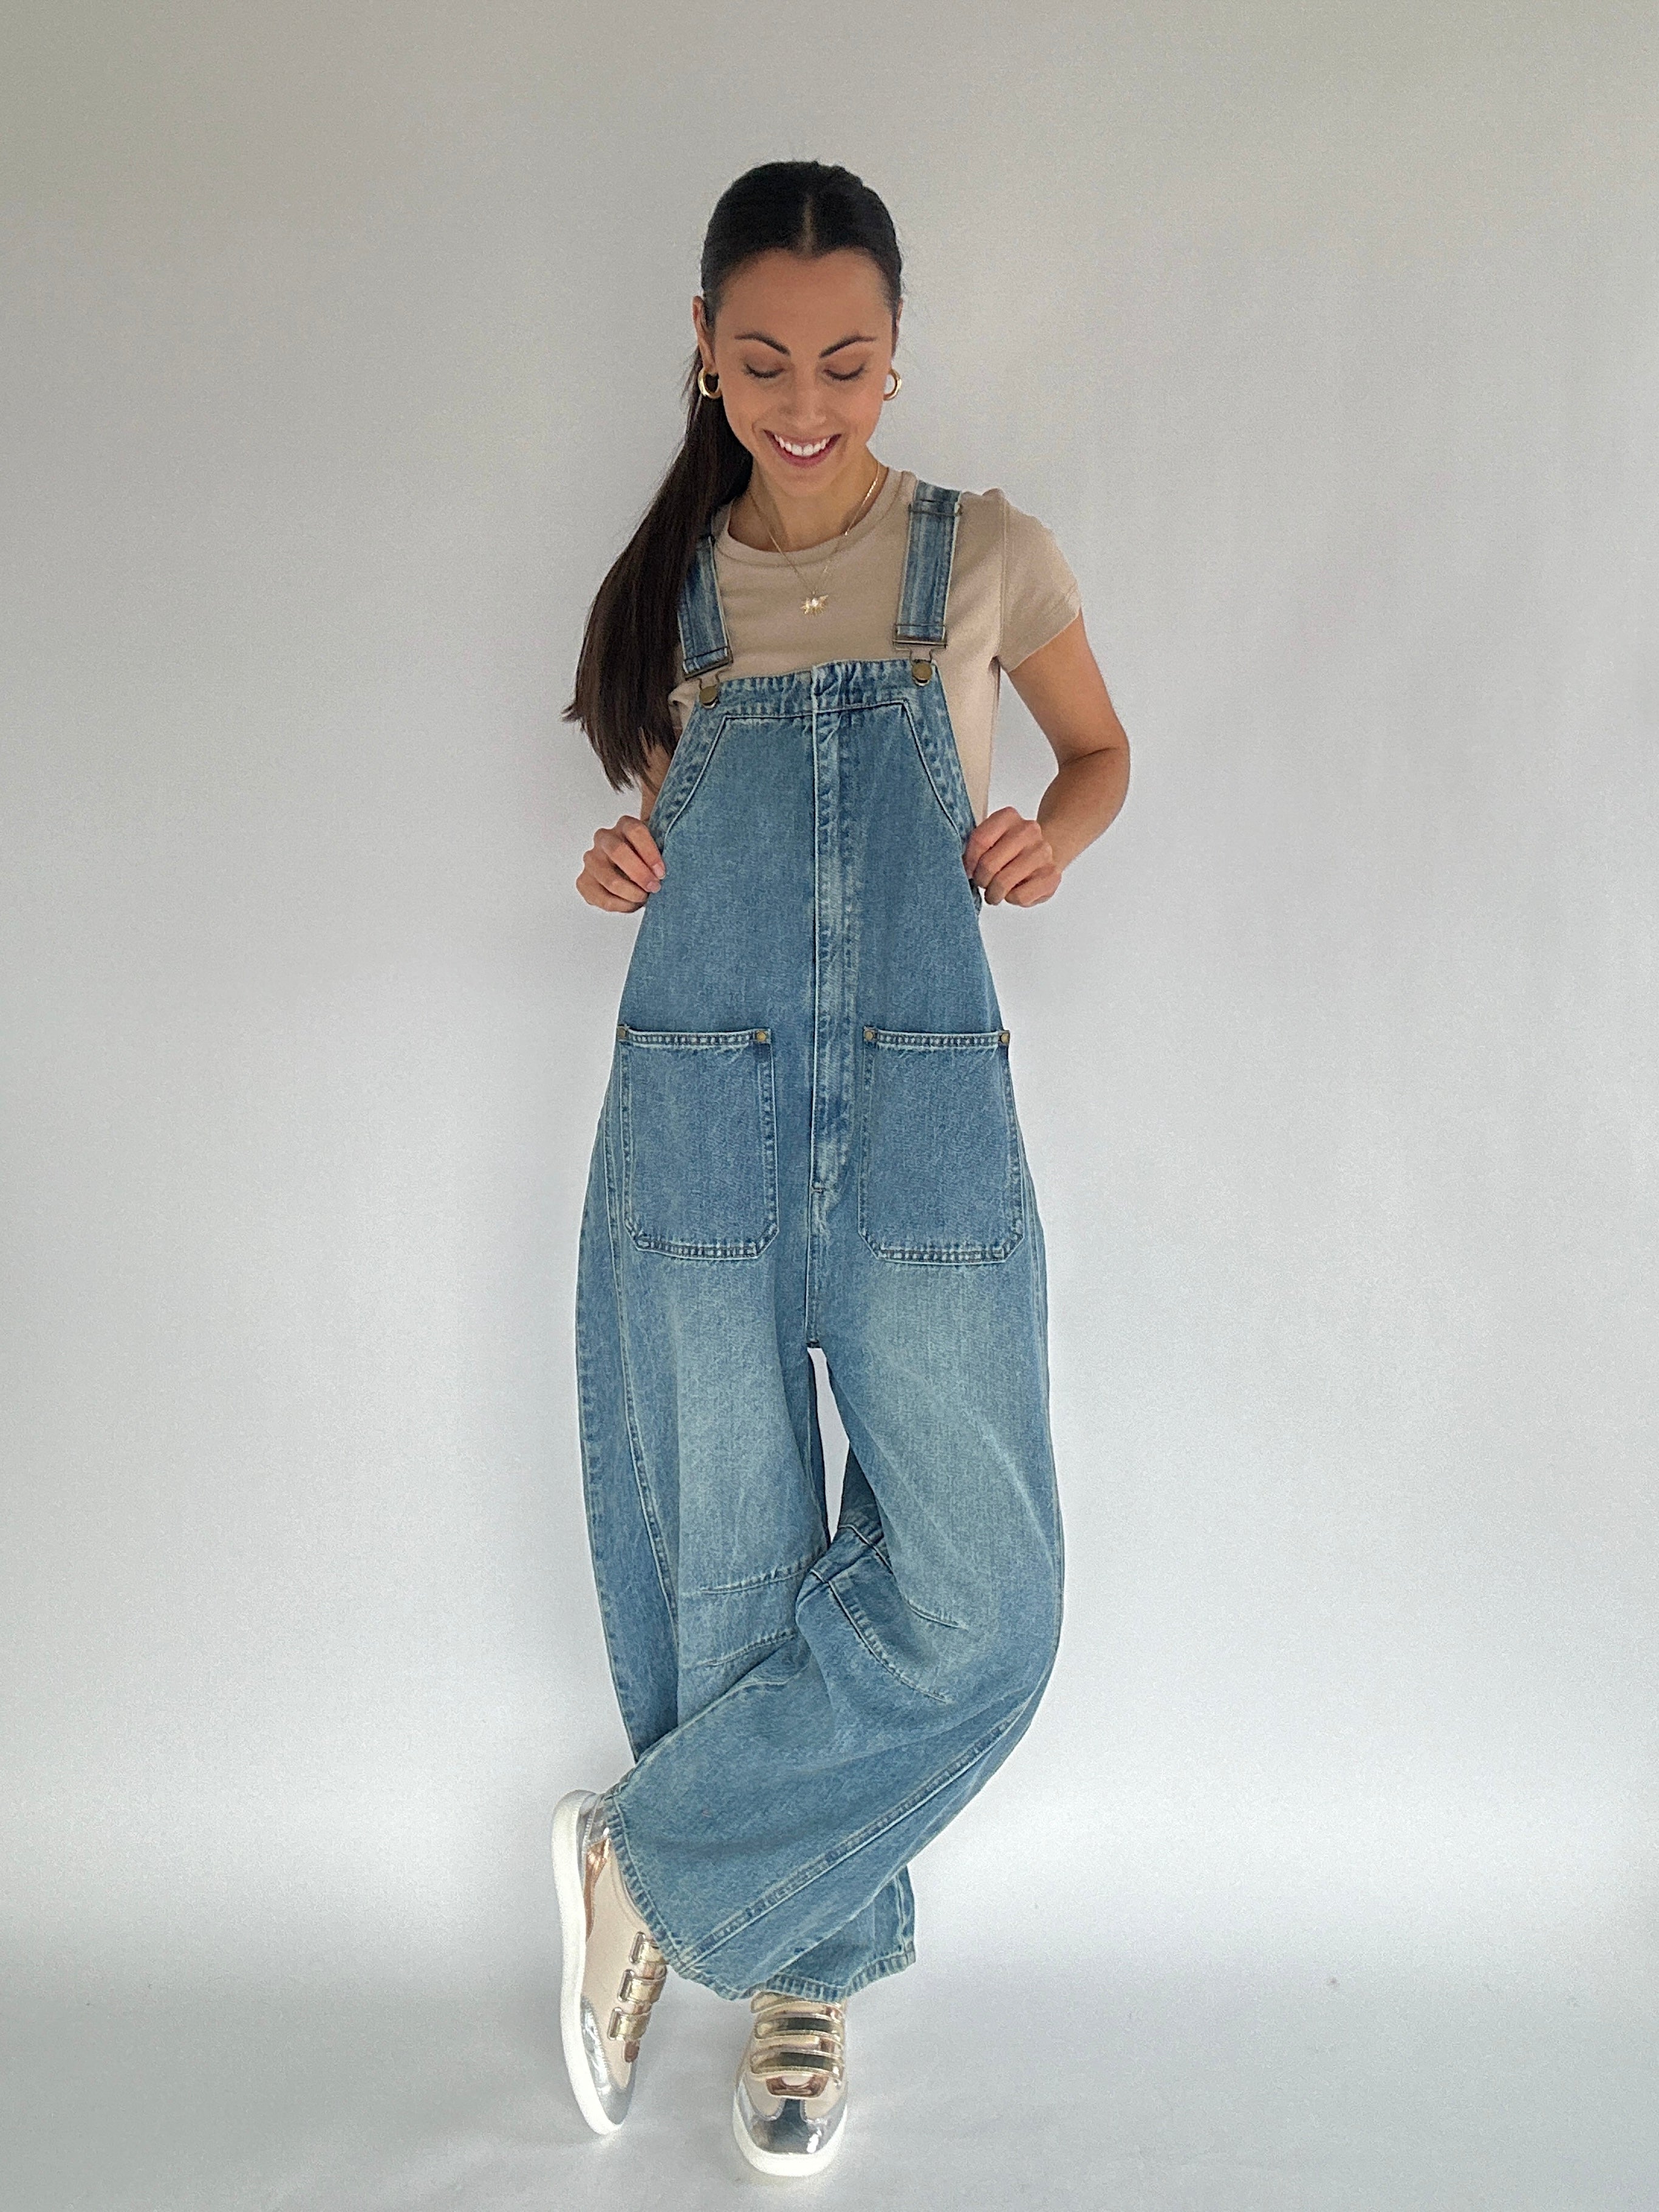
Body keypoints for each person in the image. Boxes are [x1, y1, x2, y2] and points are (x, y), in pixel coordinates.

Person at [553, 159, 1129, 2177]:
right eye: (767, 359)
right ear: (705, 360)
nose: (810, 398)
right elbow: (655, 842)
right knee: (731, 1562)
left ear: (897, 361)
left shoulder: (986, 554)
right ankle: (804, 1980)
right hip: (698, 1095)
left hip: (919, 1100)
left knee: (985, 1593)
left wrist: (1054, 831)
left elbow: (1095, 752)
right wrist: (619, 858)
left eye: (851, 361)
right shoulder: (669, 599)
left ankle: (652, 1862)